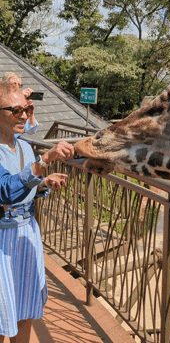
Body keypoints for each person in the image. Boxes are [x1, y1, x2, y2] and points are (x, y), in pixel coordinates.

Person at [0, 81, 75, 342]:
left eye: (27, 108)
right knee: (2, 312)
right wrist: (44, 161)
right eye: (15, 110)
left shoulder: (23, 147)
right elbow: (6, 190)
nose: (23, 115)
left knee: (25, 305)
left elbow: (24, 191)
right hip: (3, 241)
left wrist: (44, 183)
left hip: (27, 235)